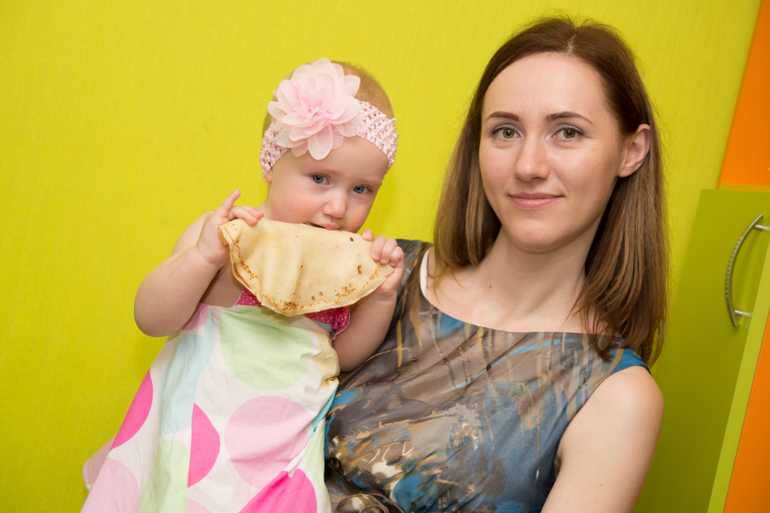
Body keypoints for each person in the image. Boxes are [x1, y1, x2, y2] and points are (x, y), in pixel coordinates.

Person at [324, 17, 666, 513]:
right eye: (505, 131)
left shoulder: (616, 395)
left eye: (567, 132)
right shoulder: (383, 273)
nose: (528, 166)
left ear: (630, 151)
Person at [81, 58, 403, 513]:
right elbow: (151, 319)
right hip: (194, 446)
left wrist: (380, 297)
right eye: (320, 179)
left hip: (281, 464)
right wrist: (202, 259)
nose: (337, 207)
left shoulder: (340, 265)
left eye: (361, 189)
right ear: (272, 164)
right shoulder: (227, 237)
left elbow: (343, 356)